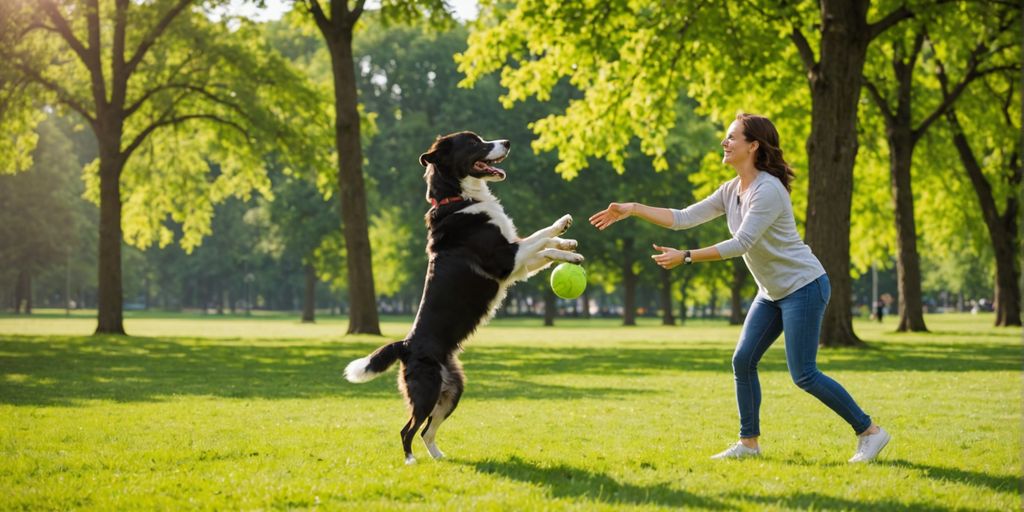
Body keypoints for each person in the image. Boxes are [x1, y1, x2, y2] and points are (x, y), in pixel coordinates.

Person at [589, 113, 890, 463]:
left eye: (732, 137)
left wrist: (686, 257)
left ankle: (870, 432)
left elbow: (741, 243)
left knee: (804, 374)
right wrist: (633, 209)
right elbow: (684, 217)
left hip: (803, 286)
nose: (724, 142)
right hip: (772, 292)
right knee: (743, 360)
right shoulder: (732, 190)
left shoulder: (768, 190)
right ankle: (749, 444)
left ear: (753, 146)